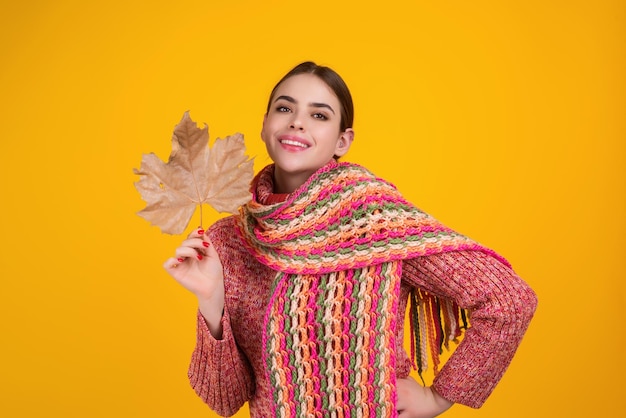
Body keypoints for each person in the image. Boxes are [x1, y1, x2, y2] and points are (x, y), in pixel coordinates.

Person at [164, 61, 537, 417]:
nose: (297, 123)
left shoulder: (374, 218)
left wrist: (438, 396)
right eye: (284, 108)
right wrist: (211, 302)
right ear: (264, 126)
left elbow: (510, 300)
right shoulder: (228, 241)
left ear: (343, 141)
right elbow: (223, 400)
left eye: (319, 115)